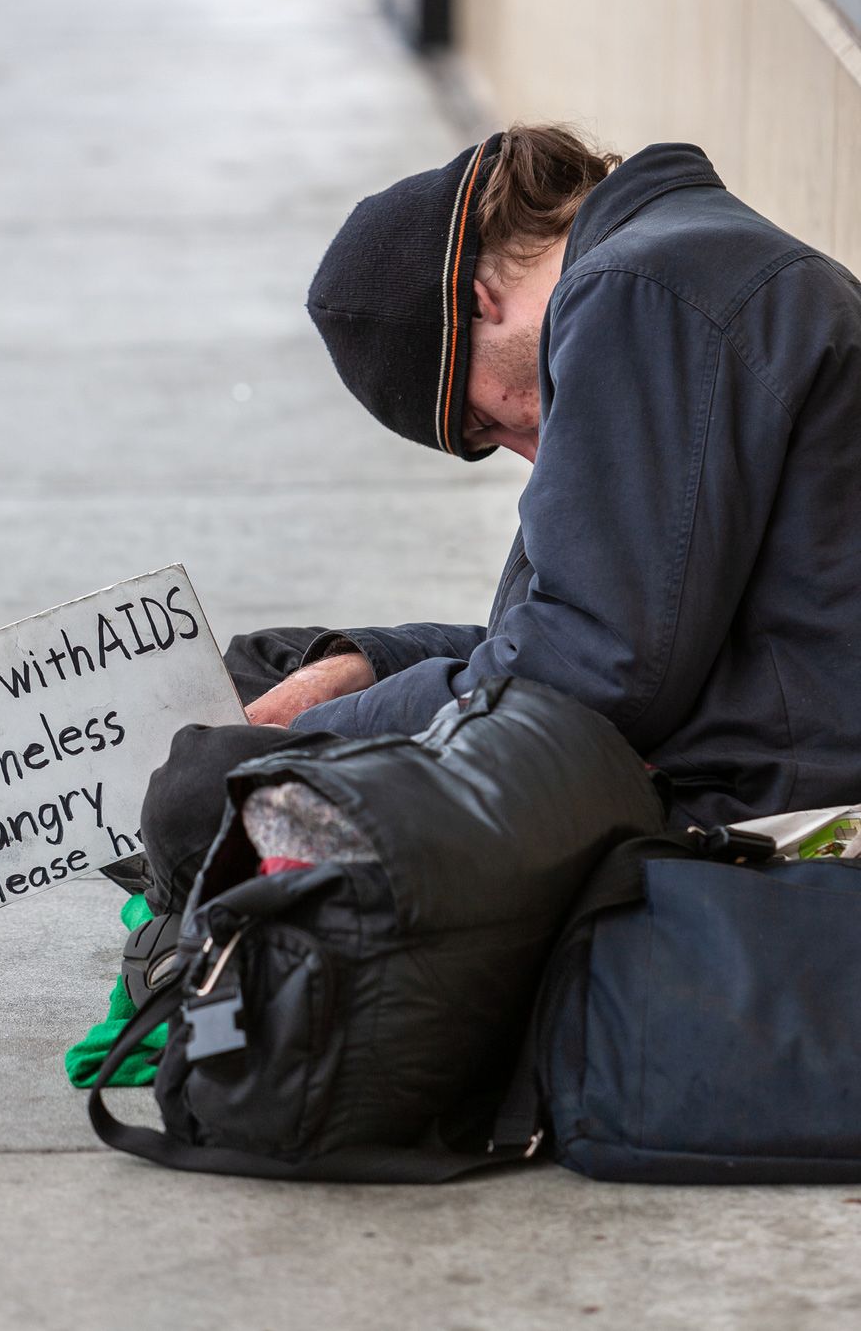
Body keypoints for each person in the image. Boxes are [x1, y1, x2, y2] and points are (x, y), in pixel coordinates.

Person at [118, 125, 861, 981]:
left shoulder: (641, 292)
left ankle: (222, 901)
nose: (525, 447)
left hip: (741, 813)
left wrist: (314, 740)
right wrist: (360, 669)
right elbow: (581, 638)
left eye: (488, 423)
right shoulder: (669, 267)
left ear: (477, 301)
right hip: (686, 740)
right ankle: (225, 884)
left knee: (209, 787)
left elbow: (597, 675)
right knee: (262, 672)